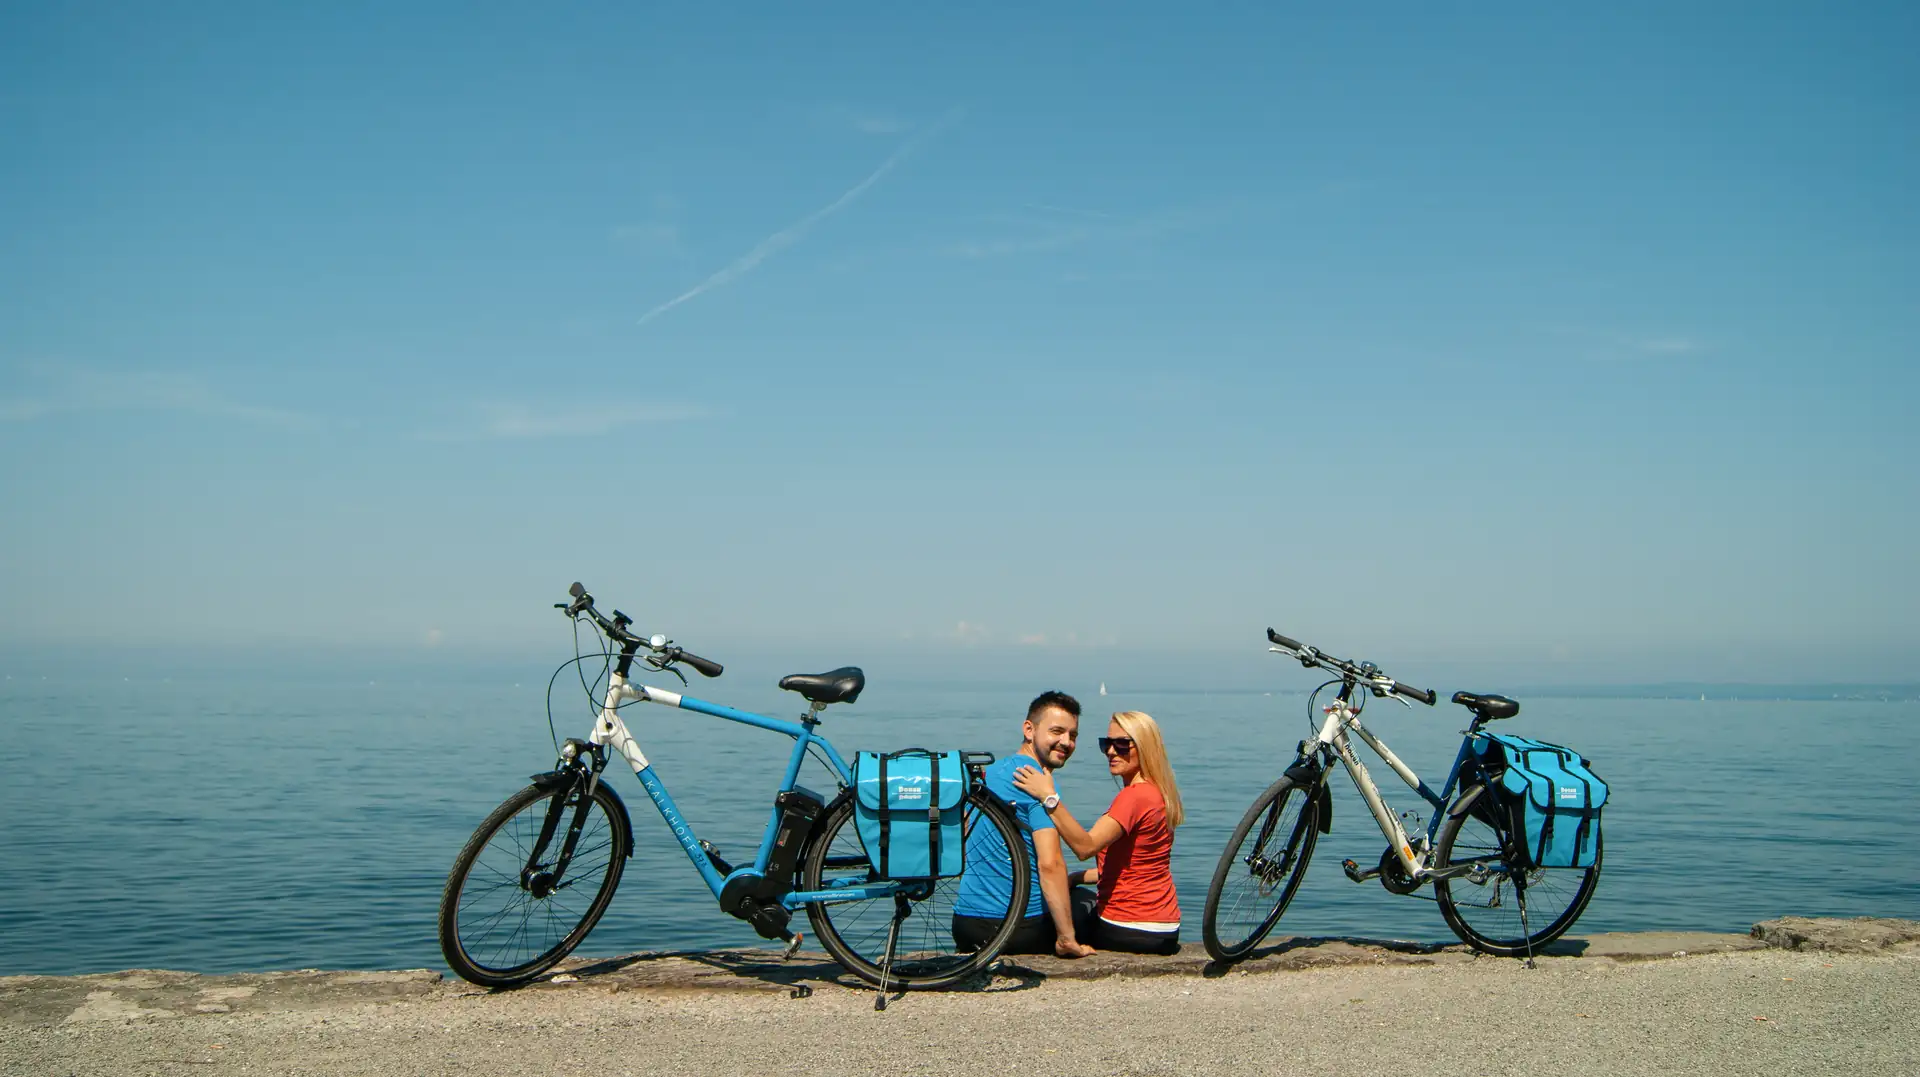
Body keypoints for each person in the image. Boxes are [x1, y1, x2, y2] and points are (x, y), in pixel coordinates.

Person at [1013, 710, 1184, 955]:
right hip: (1165, 928)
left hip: (1128, 927)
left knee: (1059, 906)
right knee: (1074, 890)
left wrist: (1048, 797)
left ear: (1145, 747)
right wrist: (1075, 878)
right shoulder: (1159, 794)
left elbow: (1085, 847)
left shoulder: (1134, 797)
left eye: (1122, 744)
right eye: (1107, 744)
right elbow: (1134, 867)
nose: (1112, 752)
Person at [951, 691, 1098, 958]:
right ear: (1029, 730)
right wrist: (1066, 938)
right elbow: (1049, 864)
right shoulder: (1035, 781)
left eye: (1073, 735)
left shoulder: (986, 773)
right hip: (1018, 929)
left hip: (965, 924)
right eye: (1057, 731)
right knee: (1087, 902)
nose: (1066, 742)